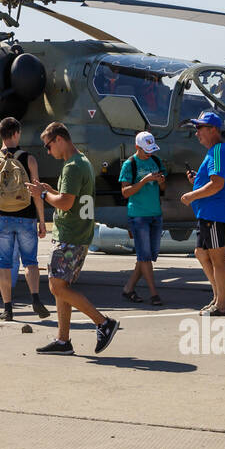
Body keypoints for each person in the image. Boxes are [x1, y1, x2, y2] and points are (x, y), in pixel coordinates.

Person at [26, 122, 119, 355]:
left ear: (59, 139)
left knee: (56, 286)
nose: (48, 152)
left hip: (70, 235)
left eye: (48, 146)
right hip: (77, 234)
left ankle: (103, 323)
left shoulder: (72, 167)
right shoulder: (81, 161)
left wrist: (43, 194)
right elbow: (70, 199)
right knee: (61, 286)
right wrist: (50, 191)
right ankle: (63, 340)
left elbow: (66, 203)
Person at [0, 117, 48, 321]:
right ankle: (35, 298)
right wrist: (42, 221)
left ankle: (7, 308)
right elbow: (36, 193)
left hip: (2, 217)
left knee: (3, 263)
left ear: (1, 134)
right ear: (16, 133)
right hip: (26, 217)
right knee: (30, 261)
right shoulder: (29, 159)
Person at [181, 111, 225, 316]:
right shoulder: (215, 151)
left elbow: (217, 184)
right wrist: (197, 180)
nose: (197, 133)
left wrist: (191, 195)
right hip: (208, 213)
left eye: (199, 128)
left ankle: (222, 304)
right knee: (201, 253)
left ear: (213, 130)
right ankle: (218, 296)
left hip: (214, 213)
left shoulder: (218, 151)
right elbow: (214, 181)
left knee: (217, 258)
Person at [118, 131, 166, 305]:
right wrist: (144, 180)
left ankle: (128, 289)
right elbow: (125, 192)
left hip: (155, 214)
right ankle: (154, 294)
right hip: (138, 216)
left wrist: (161, 182)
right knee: (144, 256)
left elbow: (163, 188)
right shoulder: (129, 164)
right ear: (137, 147)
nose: (149, 153)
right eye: (146, 150)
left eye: (152, 150)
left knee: (148, 256)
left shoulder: (156, 161)